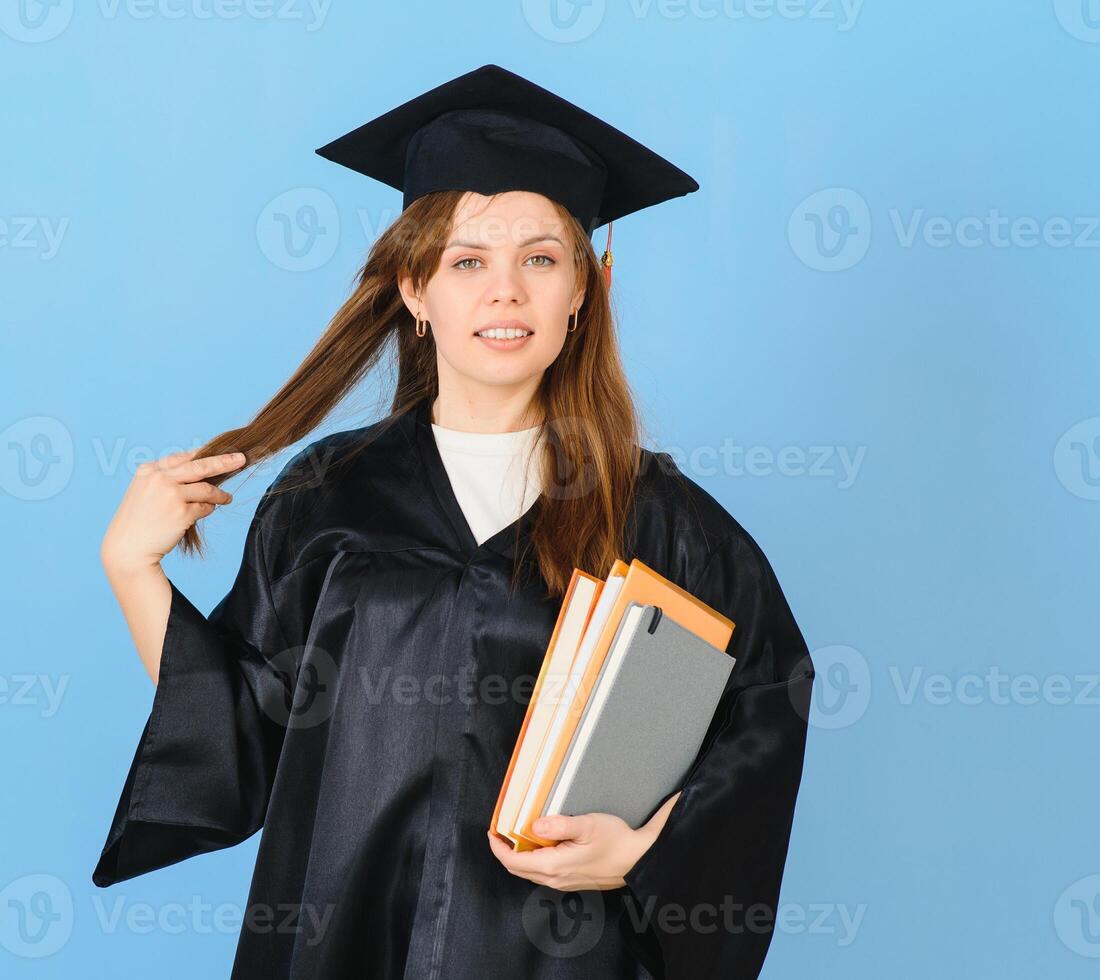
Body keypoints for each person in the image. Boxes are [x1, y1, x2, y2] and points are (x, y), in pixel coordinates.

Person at [93, 64, 816, 980]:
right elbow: (242, 739)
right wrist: (133, 570)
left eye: (541, 259)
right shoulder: (327, 499)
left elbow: (765, 704)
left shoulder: (657, 521)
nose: (505, 291)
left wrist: (642, 853)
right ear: (413, 289)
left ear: (585, 290)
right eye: (467, 260)